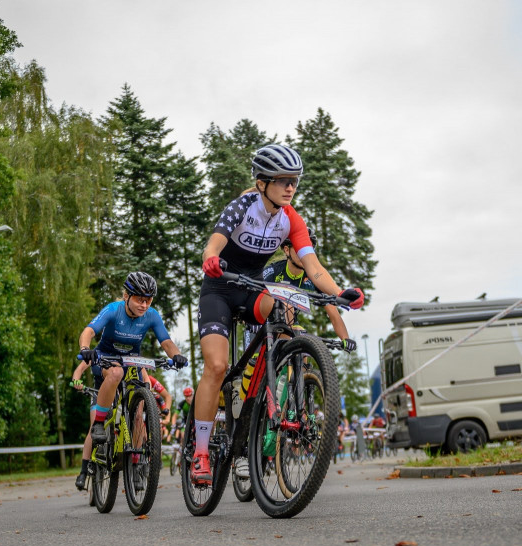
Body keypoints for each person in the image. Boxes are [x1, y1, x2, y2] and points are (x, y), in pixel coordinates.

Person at [190, 144, 364, 485]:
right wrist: (210, 257)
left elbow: (314, 268)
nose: (290, 187)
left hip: (252, 288)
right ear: (262, 182)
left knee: (284, 315)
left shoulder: (290, 219)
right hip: (220, 287)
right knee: (216, 366)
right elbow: (213, 244)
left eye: (294, 181)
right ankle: (200, 452)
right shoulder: (242, 206)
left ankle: (266, 392)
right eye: (283, 180)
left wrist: (340, 294)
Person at [74, 272, 187, 491]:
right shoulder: (112, 310)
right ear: (126, 296)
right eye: (139, 299)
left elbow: (166, 341)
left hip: (131, 362)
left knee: (138, 413)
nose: (144, 305)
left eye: (148, 300)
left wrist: (176, 355)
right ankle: (99, 423)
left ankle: (136, 464)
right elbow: (89, 331)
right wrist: (85, 349)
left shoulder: (152, 315)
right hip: (105, 360)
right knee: (115, 374)